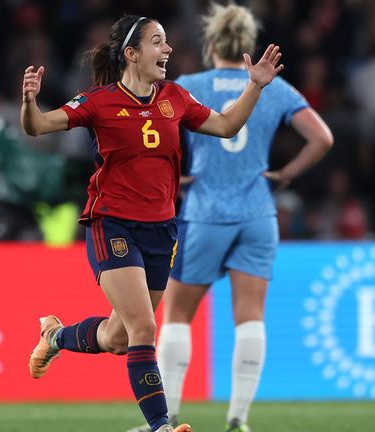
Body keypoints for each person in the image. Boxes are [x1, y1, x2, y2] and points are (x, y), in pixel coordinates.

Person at [21, 14, 284, 432]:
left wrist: (255, 86)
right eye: (157, 42)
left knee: (119, 338)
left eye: (165, 42)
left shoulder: (175, 98)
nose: (167, 50)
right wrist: (29, 102)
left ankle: (55, 337)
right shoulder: (98, 101)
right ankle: (161, 425)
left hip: (162, 229)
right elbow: (37, 127)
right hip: (113, 225)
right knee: (145, 327)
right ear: (132, 54)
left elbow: (228, 124)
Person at [130, 6, 333, 432]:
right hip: (257, 212)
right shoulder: (273, 88)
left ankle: (168, 420)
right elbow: (322, 137)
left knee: (179, 316)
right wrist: (285, 175)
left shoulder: (188, 85)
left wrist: (175, 176)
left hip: (203, 213)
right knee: (251, 316)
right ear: (248, 46)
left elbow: (153, 134)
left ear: (210, 44)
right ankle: (239, 417)